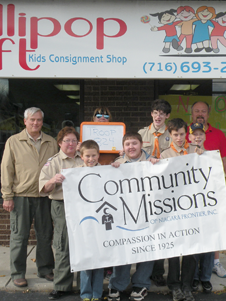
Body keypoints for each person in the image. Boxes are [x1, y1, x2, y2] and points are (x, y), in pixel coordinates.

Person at [1, 107, 58, 288]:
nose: (36, 123)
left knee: (45, 235)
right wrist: (7, 196)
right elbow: (7, 170)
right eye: (32, 120)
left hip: (45, 195)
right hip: (21, 196)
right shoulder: (14, 141)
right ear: (25, 121)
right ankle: (18, 273)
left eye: (39, 120)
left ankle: (45, 269)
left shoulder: (51, 142)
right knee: (19, 236)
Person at [186, 101, 226, 292]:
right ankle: (193, 270)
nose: (200, 114)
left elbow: (225, 161)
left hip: (212, 191)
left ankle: (215, 262)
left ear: (208, 114)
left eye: (203, 111)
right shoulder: (184, 134)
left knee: (214, 227)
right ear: (191, 113)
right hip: (190, 194)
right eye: (196, 111)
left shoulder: (218, 134)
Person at [108, 132, 159, 301]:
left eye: (134, 143)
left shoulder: (154, 163)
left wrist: (158, 166)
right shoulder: (116, 165)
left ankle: (141, 284)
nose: (131, 147)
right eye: (128, 144)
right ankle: (117, 285)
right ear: (123, 148)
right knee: (123, 249)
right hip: (125, 215)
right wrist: (112, 169)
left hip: (148, 214)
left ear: (141, 145)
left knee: (146, 249)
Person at [160, 119, 206, 301]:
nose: (179, 138)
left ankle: (187, 285)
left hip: (193, 207)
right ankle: (174, 285)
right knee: (173, 249)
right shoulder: (165, 155)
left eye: (181, 134)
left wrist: (204, 157)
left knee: (191, 248)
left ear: (187, 133)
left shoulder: (197, 151)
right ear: (170, 135)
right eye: (175, 135)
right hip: (172, 208)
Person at [39, 127, 84, 300]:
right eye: (67, 141)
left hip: (82, 206)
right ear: (60, 143)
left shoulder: (86, 157)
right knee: (63, 243)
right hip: (61, 204)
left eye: (74, 140)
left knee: (83, 242)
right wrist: (53, 180)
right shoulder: (54, 162)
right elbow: (43, 188)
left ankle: (84, 283)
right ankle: (62, 285)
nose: (71, 144)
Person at [138, 99, 171, 286]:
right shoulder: (142, 133)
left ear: (167, 116)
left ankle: (158, 271)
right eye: (155, 112)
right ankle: (143, 270)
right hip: (145, 188)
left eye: (162, 113)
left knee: (161, 229)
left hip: (164, 189)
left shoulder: (171, 134)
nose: (158, 116)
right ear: (151, 114)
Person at [78, 140, 104, 301]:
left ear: (98, 155)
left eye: (94, 155)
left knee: (100, 258)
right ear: (81, 156)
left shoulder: (106, 171)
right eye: (87, 156)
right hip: (83, 222)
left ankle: (97, 293)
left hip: (101, 222)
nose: (91, 159)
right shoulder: (75, 173)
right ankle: (86, 293)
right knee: (86, 258)